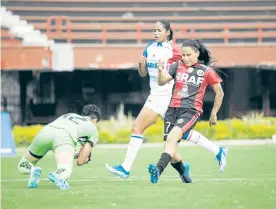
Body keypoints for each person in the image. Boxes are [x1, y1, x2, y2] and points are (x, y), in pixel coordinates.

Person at [106, 20, 227, 182]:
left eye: (158, 30)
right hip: (156, 94)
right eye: (153, 30)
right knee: (177, 137)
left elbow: (189, 62)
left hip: (166, 96)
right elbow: (143, 74)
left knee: (138, 127)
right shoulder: (149, 47)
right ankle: (199, 161)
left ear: (167, 32)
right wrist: (141, 65)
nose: (155, 33)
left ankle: (125, 168)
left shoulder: (175, 50)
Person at [148, 39, 226, 184]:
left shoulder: (206, 71)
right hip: (172, 110)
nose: (185, 58)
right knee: (171, 150)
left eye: (188, 55)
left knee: (171, 140)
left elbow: (219, 92)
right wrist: (160, 71)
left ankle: (158, 169)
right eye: (183, 55)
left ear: (197, 53)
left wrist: (214, 113)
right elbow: (162, 81)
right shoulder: (177, 66)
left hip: (190, 110)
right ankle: (184, 172)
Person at [17, 104, 101, 190]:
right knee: (65, 170)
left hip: (45, 132)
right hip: (63, 137)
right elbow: (80, 161)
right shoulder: (93, 128)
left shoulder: (70, 115)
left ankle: (32, 170)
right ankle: (58, 174)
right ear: (95, 120)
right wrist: (86, 159)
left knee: (23, 164)